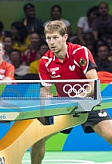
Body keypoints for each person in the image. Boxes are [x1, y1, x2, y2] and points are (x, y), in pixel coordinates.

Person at [31, 20, 112, 164]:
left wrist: (78, 97)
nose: (51, 42)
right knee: (36, 139)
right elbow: (45, 91)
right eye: (48, 38)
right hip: (64, 107)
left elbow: (94, 84)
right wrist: (45, 105)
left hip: (89, 103)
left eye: (55, 37)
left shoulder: (80, 52)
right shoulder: (45, 62)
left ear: (65, 37)